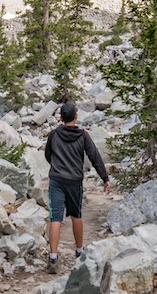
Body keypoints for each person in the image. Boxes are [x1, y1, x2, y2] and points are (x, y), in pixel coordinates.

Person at [43, 101, 110, 273]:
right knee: (76, 215)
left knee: (55, 217)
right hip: (74, 181)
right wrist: (105, 178)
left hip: (57, 179)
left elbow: (47, 155)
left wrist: (56, 165)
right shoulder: (83, 135)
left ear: (60, 118)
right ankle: (79, 251)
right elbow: (94, 156)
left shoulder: (54, 135)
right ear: (75, 116)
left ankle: (52, 257)